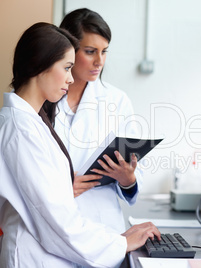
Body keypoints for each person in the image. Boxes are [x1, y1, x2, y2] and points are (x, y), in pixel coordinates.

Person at [0, 22, 160, 267]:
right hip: (38, 255)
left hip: (70, 245)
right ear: (40, 64)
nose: (70, 78)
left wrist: (115, 238)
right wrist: (120, 243)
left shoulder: (30, 123)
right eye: (66, 67)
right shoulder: (21, 129)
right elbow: (55, 218)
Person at [55, 8, 141, 234]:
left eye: (104, 51)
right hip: (52, 223)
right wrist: (56, 188)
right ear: (68, 50)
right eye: (91, 51)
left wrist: (128, 179)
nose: (99, 61)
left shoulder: (117, 101)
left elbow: (132, 179)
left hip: (102, 227)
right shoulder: (43, 99)